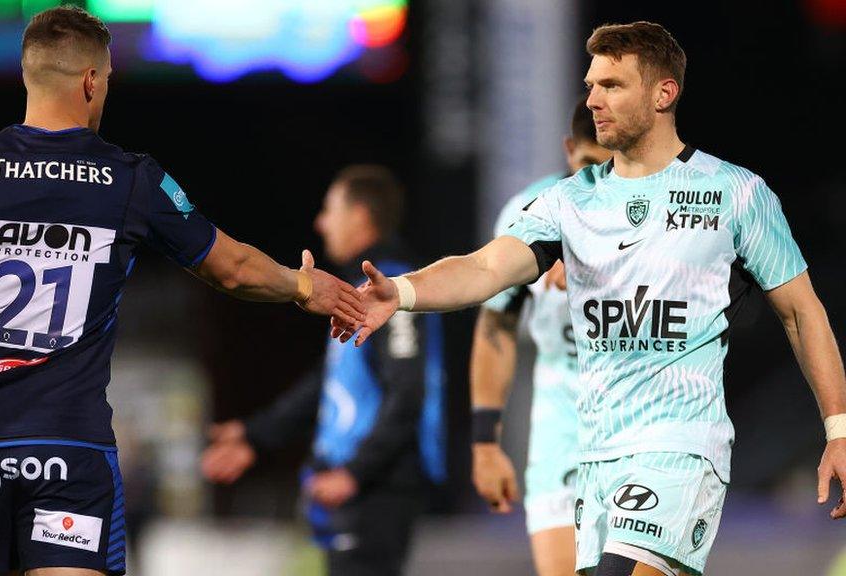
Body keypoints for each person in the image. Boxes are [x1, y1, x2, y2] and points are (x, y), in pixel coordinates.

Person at [0, 6, 365, 576]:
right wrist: (304, 285)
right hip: (68, 444)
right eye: (105, 80)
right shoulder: (131, 178)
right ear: (90, 80)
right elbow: (231, 268)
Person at [334, 21, 846, 576]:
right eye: (590, 85)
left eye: (611, 85)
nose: (592, 99)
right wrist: (402, 292)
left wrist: (839, 430)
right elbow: (483, 268)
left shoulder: (737, 194)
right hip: (595, 456)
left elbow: (802, 313)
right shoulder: (568, 203)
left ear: (663, 94)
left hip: (679, 447)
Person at [202, 165, 444, 576]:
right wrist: (256, 435)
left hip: (375, 486)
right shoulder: (359, 288)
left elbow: (408, 391)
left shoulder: (393, 285)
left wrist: (356, 473)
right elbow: (327, 384)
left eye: (330, 209)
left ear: (361, 215)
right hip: (346, 484)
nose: (321, 222)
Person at [469, 99, 610, 576]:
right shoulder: (529, 213)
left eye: (611, 165)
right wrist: (485, 444)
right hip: (562, 427)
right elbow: (496, 325)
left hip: (646, 426)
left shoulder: (662, 207)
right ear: (569, 151)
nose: (599, 181)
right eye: (588, 164)